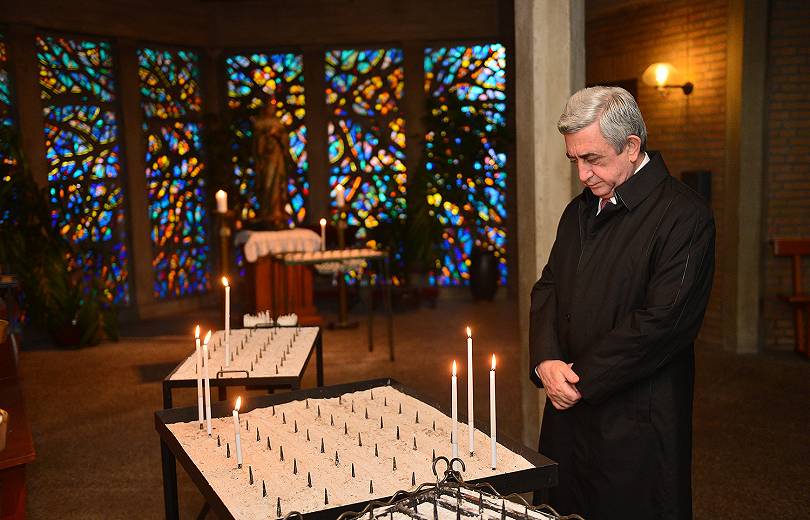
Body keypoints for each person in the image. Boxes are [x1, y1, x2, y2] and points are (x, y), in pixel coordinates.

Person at [529, 86, 715, 519]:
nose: (582, 174)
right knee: (564, 505)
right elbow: (549, 287)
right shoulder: (578, 210)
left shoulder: (684, 215)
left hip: (637, 417)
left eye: (592, 159)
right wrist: (546, 360)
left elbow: (663, 321)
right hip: (567, 402)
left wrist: (579, 379)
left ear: (631, 147)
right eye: (574, 160)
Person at [252, 100, 290, 230]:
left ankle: (277, 212)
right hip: (266, 159)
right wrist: (266, 135)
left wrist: (278, 135)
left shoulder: (278, 123)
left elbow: (284, 139)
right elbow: (257, 144)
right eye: (270, 107)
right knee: (267, 185)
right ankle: (266, 212)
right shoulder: (260, 123)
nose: (271, 109)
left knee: (278, 185)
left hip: (277, 158)